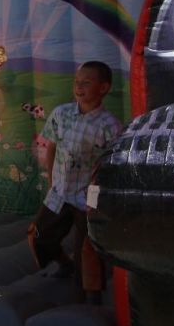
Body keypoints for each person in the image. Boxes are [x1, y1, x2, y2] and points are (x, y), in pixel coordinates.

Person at [27, 61, 123, 303]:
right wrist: (51, 180)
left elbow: (111, 165)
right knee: (39, 235)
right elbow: (51, 147)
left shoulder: (109, 125)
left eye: (86, 83)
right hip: (60, 190)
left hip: (87, 196)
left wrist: (100, 197)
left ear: (103, 88)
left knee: (88, 251)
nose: (79, 87)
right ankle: (63, 264)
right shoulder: (62, 113)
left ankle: (92, 298)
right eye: (76, 82)